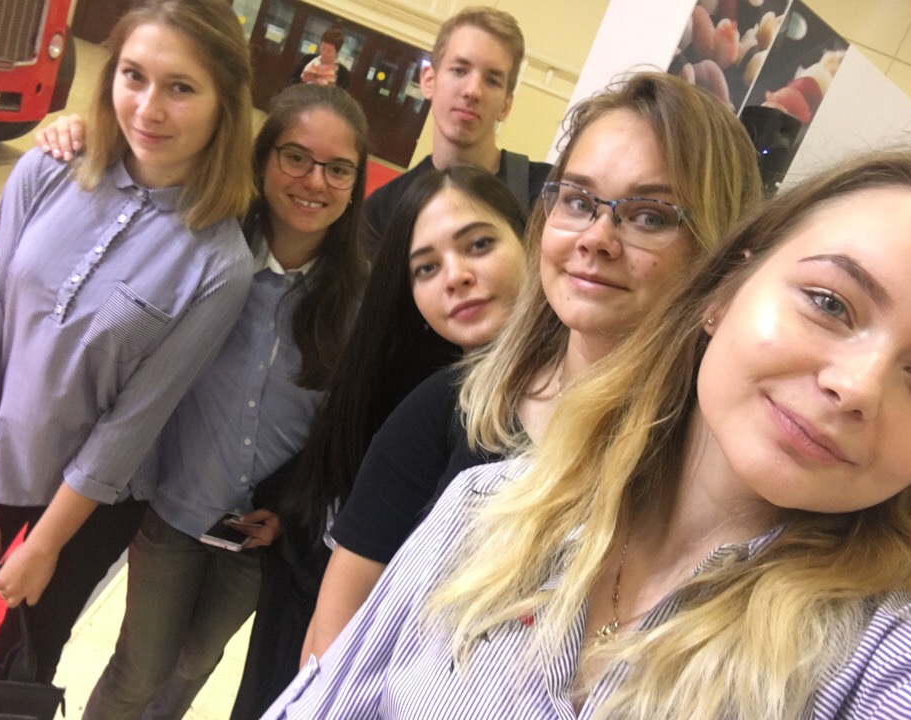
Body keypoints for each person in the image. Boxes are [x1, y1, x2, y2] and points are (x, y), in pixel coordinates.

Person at [265, 148, 911, 719]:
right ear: (725, 289)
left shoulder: (879, 657)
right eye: (829, 302)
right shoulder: (484, 505)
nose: (857, 386)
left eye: (650, 215)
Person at [301, 71, 764, 662]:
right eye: (578, 201)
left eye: (649, 215)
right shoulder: (454, 408)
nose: (596, 238)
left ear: (723, 258)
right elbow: (328, 648)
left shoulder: (719, 471)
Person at [0, 0, 255, 683]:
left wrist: (47, 545)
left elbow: (133, 423)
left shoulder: (219, 263)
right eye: (133, 76)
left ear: (224, 105)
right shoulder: (47, 170)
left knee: (23, 663)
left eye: (180, 88)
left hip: (89, 505)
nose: (148, 108)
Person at [74, 84, 368, 720]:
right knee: (139, 672)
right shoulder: (211, 258)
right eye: (296, 157)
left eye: (338, 168)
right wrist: (76, 137)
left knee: (193, 668)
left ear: (355, 183)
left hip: (258, 534)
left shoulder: (357, 303)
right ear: (263, 159)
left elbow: (343, 429)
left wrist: (292, 510)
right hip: (174, 508)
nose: (315, 181)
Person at [229, 165, 528, 720]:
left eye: (479, 245)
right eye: (426, 268)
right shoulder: (435, 403)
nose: (456, 277)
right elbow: (339, 616)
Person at [362, 6, 551, 255]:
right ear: (429, 81)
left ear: (506, 105)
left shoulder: (546, 192)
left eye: (492, 80)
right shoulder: (383, 210)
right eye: (460, 70)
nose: (472, 91)